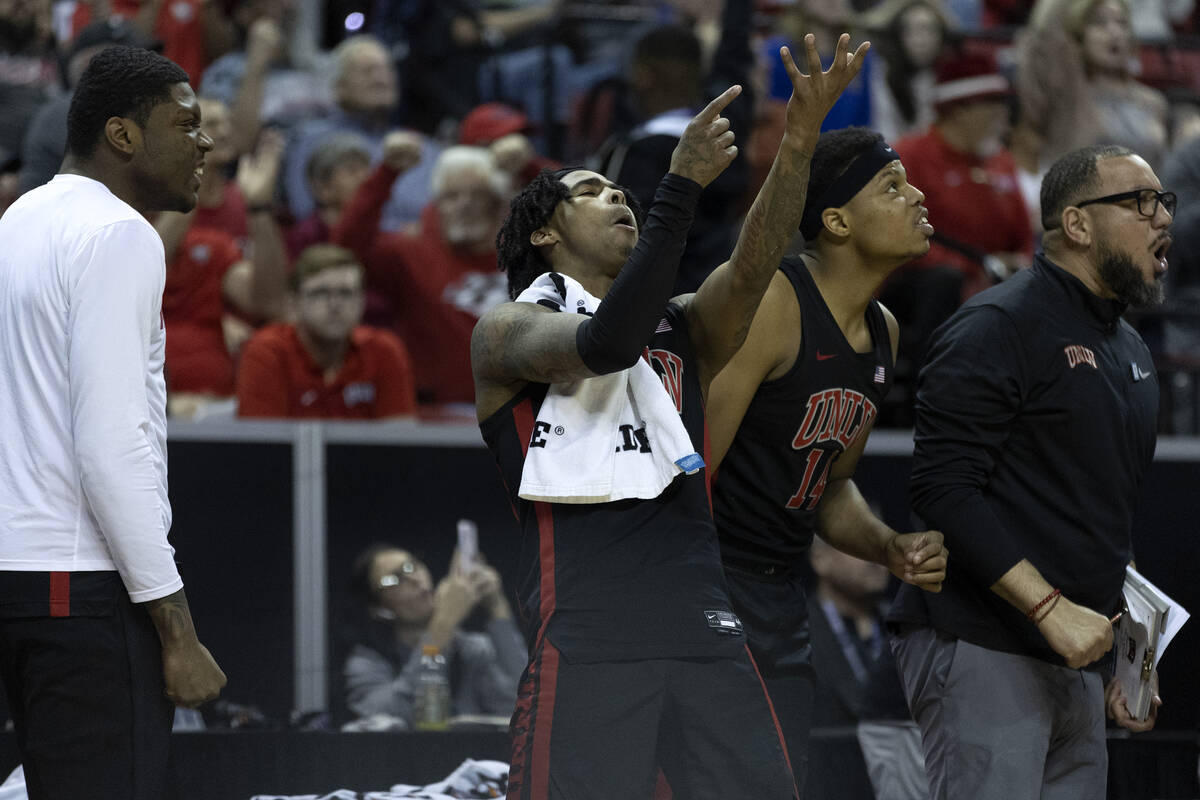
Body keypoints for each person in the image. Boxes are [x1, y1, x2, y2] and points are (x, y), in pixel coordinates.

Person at [471, 34, 868, 799]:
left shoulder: (682, 325)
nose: (617, 195)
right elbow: (607, 342)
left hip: (708, 628)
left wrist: (801, 139)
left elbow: (757, 263)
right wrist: (676, 188)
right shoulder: (509, 331)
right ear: (545, 233)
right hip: (588, 632)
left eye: (620, 191)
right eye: (592, 191)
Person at [888, 143, 1169, 799]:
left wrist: (1132, 658)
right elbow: (942, 488)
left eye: (1165, 202)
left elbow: (1099, 520)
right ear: (1076, 224)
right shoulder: (998, 322)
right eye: (1140, 202)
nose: (1162, 219)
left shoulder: (1130, 350)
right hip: (986, 640)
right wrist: (1049, 609)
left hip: (1077, 655)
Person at [0, 45, 226, 799]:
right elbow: (109, 446)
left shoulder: (20, 219)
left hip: (17, 577)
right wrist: (177, 630)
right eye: (185, 124)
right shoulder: (120, 235)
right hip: (83, 587)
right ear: (124, 135)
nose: (206, 143)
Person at [704, 125, 948, 789]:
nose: (918, 195)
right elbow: (687, 469)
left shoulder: (885, 333)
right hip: (711, 587)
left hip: (781, 592)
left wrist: (888, 546)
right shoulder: (775, 303)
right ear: (836, 220)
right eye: (892, 187)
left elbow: (832, 486)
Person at [333, 142, 510, 409]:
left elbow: (582, 224)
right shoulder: (411, 253)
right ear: (435, 205)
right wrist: (385, 174)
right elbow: (345, 251)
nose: (465, 206)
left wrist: (531, 167)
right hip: (437, 417)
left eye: (478, 195)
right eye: (451, 197)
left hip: (524, 415)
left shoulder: (530, 254)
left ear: (499, 205)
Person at [342, 544, 525, 727]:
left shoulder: (470, 649)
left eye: (412, 566)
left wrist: (496, 606)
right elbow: (398, 714)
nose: (414, 578)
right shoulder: (366, 664)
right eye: (393, 579)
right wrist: (442, 624)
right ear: (380, 608)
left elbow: (524, 702)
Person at [236, 244, 417, 419]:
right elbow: (261, 446)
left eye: (346, 293)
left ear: (362, 302)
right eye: (320, 293)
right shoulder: (268, 351)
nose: (334, 305)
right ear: (294, 303)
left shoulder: (384, 350)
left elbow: (399, 442)